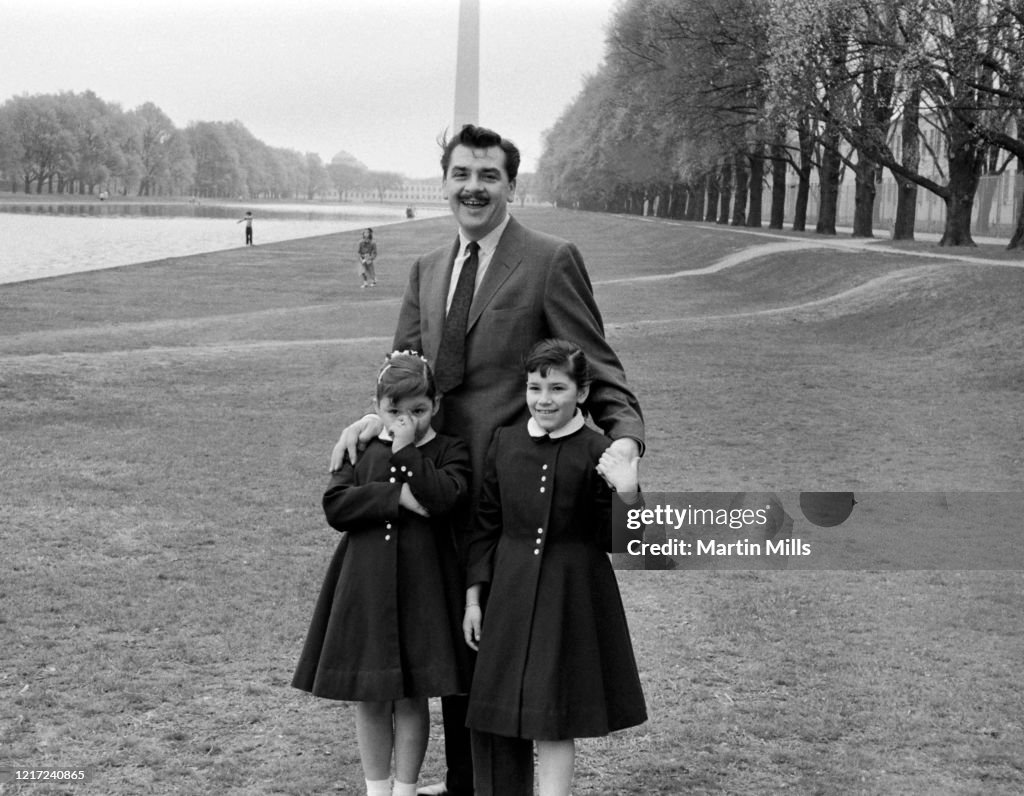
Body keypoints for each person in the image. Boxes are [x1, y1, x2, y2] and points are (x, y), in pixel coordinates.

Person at [331, 124, 644, 796]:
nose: (473, 187)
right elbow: (405, 380)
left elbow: (597, 363)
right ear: (444, 181)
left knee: (496, 656)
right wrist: (373, 419)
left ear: (510, 183)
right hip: (434, 491)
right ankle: (467, 782)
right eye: (462, 174)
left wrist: (623, 436)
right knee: (451, 645)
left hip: (508, 495)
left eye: (489, 175)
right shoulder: (425, 270)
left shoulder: (550, 259)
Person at [462, 339, 647, 796]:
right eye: (535, 388)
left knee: (553, 714)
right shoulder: (504, 442)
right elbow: (486, 525)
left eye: (557, 388)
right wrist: (473, 598)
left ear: (582, 393)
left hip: (571, 594)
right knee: (498, 711)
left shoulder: (598, 451)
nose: (544, 400)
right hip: (509, 591)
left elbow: (622, 541)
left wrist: (628, 493)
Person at [293, 351, 473, 796]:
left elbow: (445, 497)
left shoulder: (451, 450)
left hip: (423, 589)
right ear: (375, 405)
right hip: (367, 586)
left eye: (418, 411)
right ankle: (377, 788)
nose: (405, 420)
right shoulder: (359, 447)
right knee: (371, 696)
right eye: (394, 412)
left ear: (436, 404)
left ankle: (405, 789)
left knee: (413, 696)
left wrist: (408, 452)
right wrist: (393, 500)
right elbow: (336, 505)